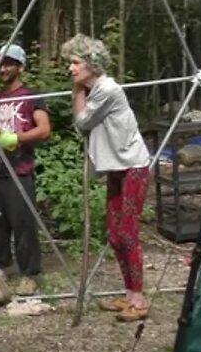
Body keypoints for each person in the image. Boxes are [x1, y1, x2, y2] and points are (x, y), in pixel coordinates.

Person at [64, 34, 153, 322]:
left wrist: (77, 91)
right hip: (116, 167)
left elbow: (82, 122)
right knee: (115, 236)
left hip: (133, 166)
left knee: (127, 232)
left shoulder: (107, 89)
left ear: (92, 64)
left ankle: (139, 301)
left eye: (76, 63)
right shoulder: (96, 91)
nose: (71, 69)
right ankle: (129, 295)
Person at [0, 43, 51, 295]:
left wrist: (17, 139)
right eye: (0, 63)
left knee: (23, 223)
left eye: (8, 63)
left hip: (19, 168)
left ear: (20, 66)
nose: (3, 68)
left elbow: (44, 130)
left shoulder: (31, 96)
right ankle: (0, 263)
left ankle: (30, 273)